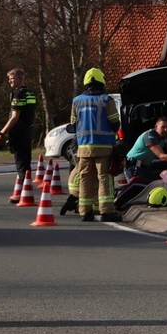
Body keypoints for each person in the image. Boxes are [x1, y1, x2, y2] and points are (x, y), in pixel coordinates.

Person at [66, 68, 121, 222]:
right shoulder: (106, 100)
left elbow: (73, 124)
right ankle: (107, 211)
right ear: (101, 81)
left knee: (85, 178)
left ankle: (85, 211)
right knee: (104, 178)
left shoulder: (76, 101)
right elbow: (115, 124)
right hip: (103, 147)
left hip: (83, 148)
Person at [0, 68, 37, 184]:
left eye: (12, 79)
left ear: (20, 79)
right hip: (27, 131)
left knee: (21, 162)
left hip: (18, 133)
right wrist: (30, 126)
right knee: (26, 161)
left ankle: (24, 191)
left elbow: (14, 118)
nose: (10, 81)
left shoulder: (18, 95)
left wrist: (1, 133)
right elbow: (34, 114)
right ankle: (27, 190)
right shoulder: (30, 93)